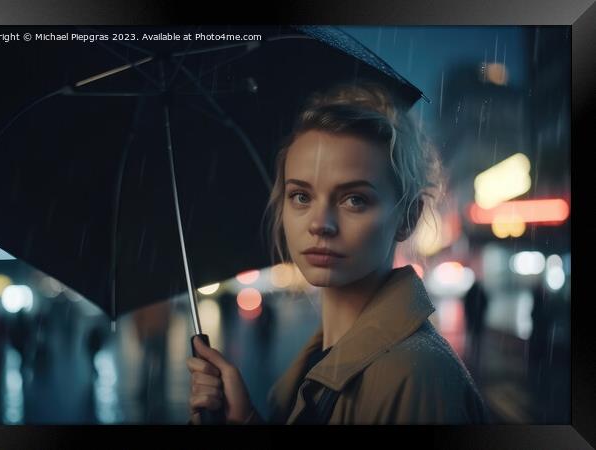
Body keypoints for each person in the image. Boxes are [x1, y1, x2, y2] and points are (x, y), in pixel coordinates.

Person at [186, 80, 489, 424]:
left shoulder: (419, 378)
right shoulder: (318, 360)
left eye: (354, 199)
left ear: (408, 217)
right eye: (301, 196)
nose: (320, 224)